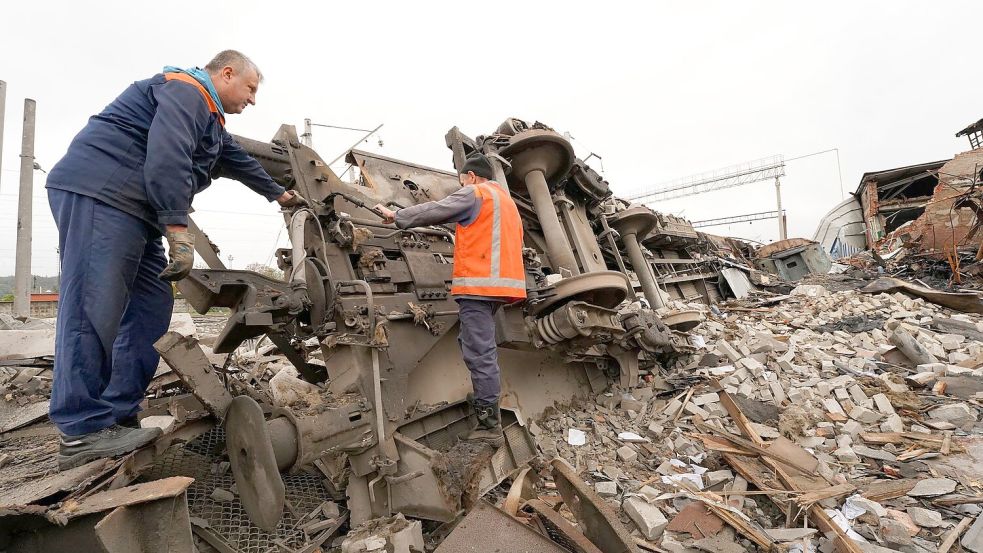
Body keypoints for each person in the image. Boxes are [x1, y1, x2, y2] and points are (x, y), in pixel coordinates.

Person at [45, 50, 305, 470]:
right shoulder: (187, 92)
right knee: (94, 307)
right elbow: (168, 158)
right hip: (103, 195)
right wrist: (177, 229)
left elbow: (237, 161)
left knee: (150, 308)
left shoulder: (212, 123)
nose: (253, 100)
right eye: (251, 89)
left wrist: (284, 195)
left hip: (137, 213)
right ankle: (81, 429)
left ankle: (115, 415)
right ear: (226, 74)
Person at [374, 152, 526, 445]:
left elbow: (438, 208)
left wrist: (398, 216)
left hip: (478, 288)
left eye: (462, 181)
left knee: (479, 353)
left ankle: (488, 424)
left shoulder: (474, 192)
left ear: (470, 176)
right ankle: (485, 397)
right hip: (501, 288)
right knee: (474, 345)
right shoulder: (506, 203)